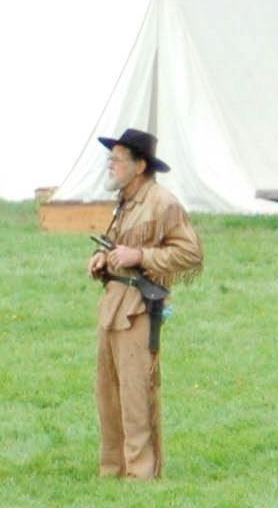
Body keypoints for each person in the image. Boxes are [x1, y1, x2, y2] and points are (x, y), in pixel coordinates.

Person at [86, 128, 203, 480]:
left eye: (118, 160)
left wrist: (140, 255)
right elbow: (116, 247)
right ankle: (113, 469)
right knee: (108, 393)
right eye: (111, 158)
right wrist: (101, 260)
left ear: (139, 166)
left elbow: (190, 252)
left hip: (139, 308)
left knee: (137, 393)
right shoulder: (125, 202)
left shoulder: (162, 203)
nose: (111, 165)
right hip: (113, 306)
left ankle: (141, 473)